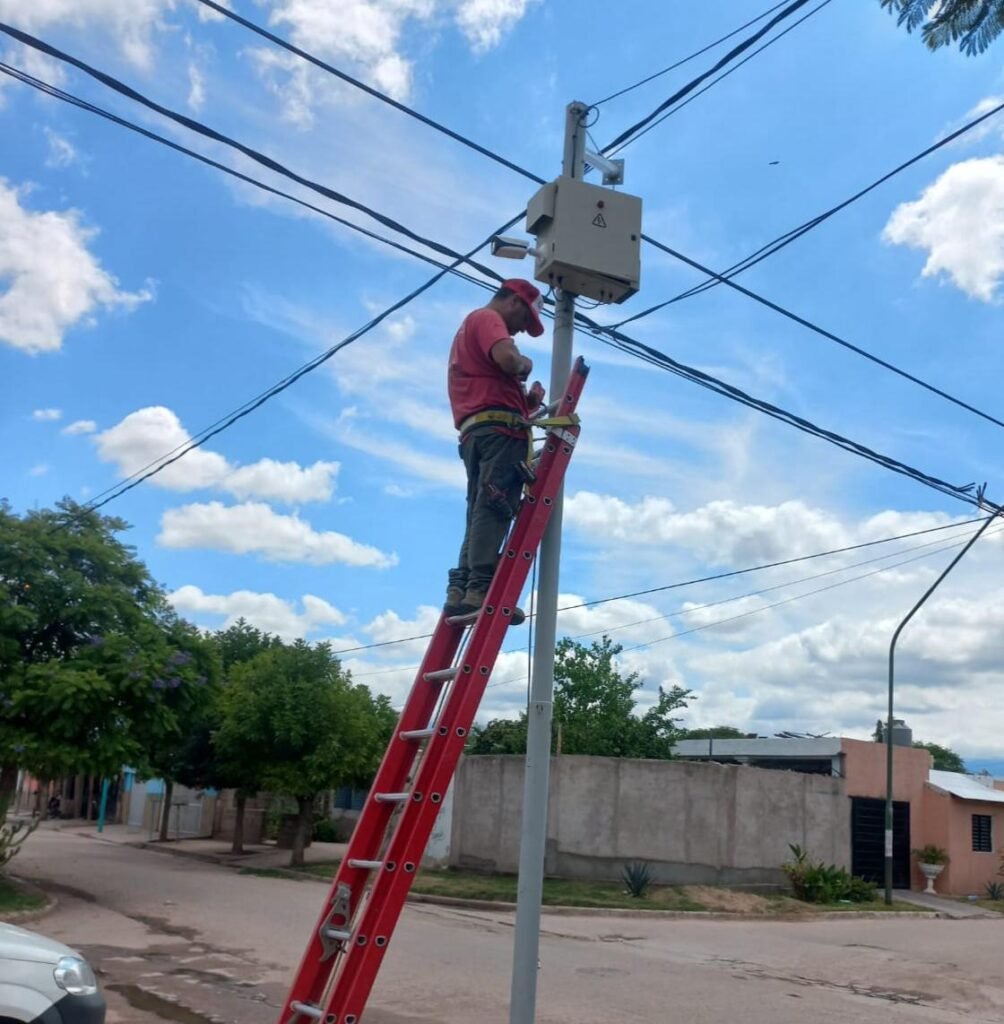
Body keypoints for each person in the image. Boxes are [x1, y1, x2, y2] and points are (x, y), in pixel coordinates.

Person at [445, 280, 547, 623]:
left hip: (476, 431)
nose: (519, 331)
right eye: (524, 321)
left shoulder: (469, 329)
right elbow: (506, 359)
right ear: (515, 301)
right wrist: (523, 363)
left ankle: (461, 589)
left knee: (479, 509)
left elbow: (490, 376)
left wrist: (526, 402)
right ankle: (482, 589)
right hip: (499, 431)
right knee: (495, 505)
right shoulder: (489, 320)